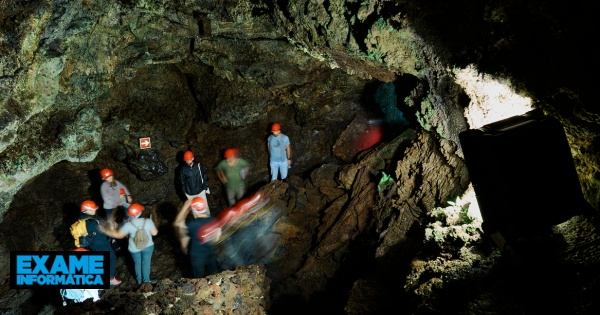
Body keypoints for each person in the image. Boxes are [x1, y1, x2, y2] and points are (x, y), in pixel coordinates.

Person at [100, 203, 158, 284]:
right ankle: (146, 281)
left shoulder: (128, 225)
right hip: (148, 246)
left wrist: (105, 230)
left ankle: (139, 281)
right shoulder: (147, 221)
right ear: (139, 212)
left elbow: (119, 235)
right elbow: (154, 233)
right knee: (146, 262)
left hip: (134, 248)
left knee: (137, 263)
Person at [173, 197, 221, 278]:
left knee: (198, 278)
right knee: (214, 275)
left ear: (193, 211)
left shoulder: (191, 224)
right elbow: (217, 238)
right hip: (211, 253)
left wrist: (185, 208)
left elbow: (176, 223)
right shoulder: (213, 221)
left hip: (196, 256)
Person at [78, 200, 121, 285]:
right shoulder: (91, 221)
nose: (95, 210)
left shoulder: (84, 218)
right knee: (111, 258)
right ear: (88, 210)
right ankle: (110, 279)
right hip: (99, 244)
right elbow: (99, 233)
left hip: (96, 244)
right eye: (93, 208)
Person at [179, 150, 211, 215]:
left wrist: (205, 187)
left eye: (189, 159)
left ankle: (208, 218)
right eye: (187, 160)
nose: (188, 161)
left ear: (193, 158)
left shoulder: (198, 166)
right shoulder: (183, 169)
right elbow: (182, 181)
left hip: (200, 190)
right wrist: (184, 191)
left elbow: (204, 176)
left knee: (204, 206)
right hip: (190, 192)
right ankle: (198, 221)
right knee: (194, 209)